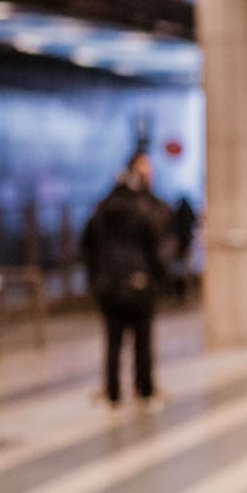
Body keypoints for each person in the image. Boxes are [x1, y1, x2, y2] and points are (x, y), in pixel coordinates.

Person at [81, 153, 166, 409]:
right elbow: (154, 246)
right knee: (142, 340)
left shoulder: (103, 209)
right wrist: (157, 278)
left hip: (110, 285)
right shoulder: (142, 210)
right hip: (139, 282)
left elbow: (87, 245)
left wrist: (96, 277)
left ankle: (113, 392)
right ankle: (145, 389)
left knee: (113, 341)